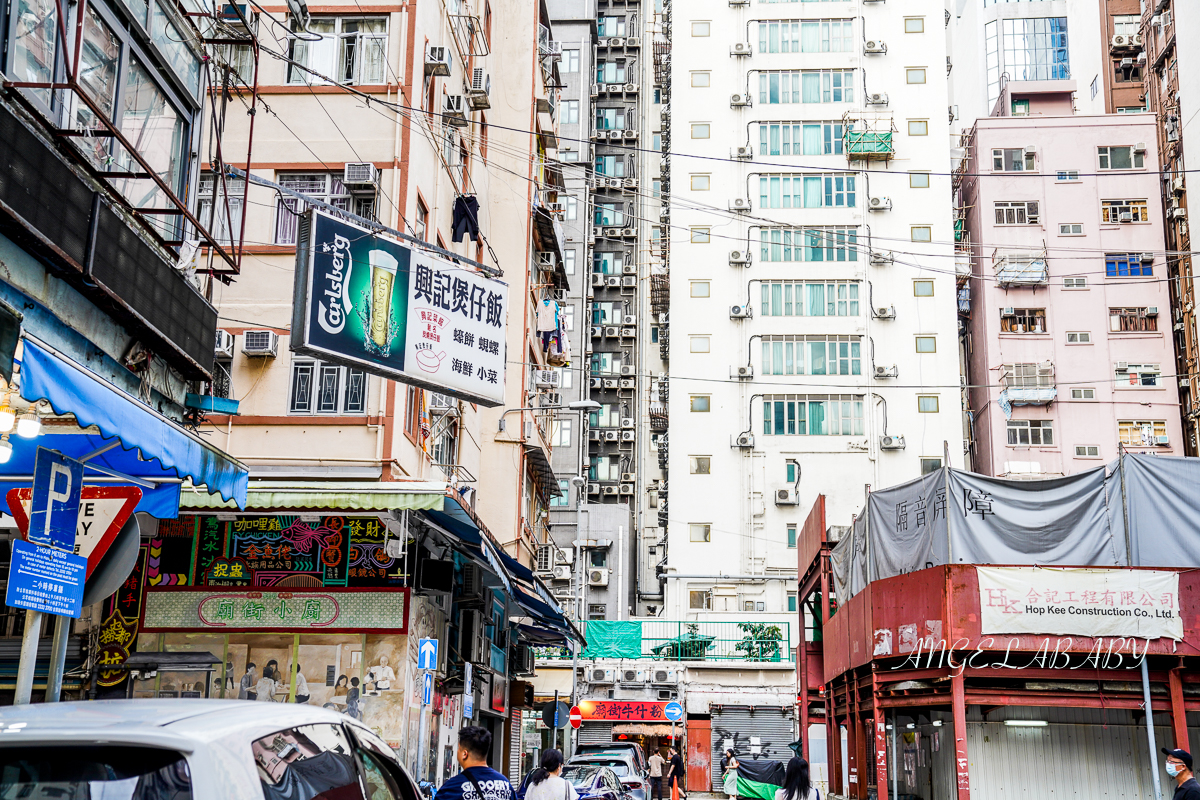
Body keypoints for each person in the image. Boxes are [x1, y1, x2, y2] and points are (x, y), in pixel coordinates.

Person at [433, 726, 516, 800]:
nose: (457, 752)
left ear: (464, 754)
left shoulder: (452, 788)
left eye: (459, 748)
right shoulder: (505, 784)